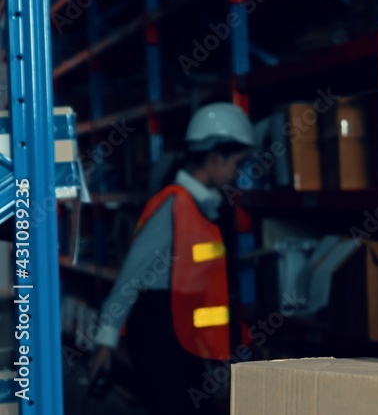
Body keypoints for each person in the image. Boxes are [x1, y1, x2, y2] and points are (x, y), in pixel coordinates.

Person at [88, 102, 255, 414]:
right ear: (216, 158)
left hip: (183, 332)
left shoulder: (207, 206)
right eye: (238, 162)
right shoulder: (173, 206)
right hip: (159, 331)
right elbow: (131, 277)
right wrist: (106, 341)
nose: (239, 172)